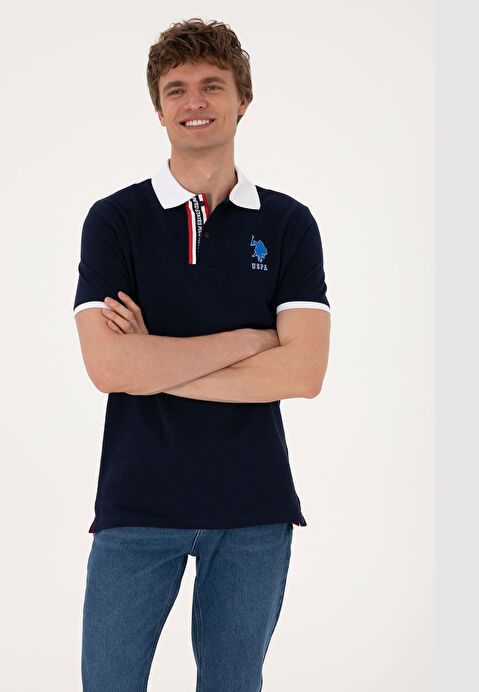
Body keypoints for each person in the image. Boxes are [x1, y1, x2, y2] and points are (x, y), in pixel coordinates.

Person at [73, 17, 331, 692]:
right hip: (136, 505)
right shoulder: (116, 221)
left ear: (243, 100)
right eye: (176, 89)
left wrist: (152, 363)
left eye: (212, 85)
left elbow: (304, 373)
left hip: (253, 510)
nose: (195, 101)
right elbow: (109, 369)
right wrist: (250, 341)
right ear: (158, 109)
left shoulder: (288, 224)